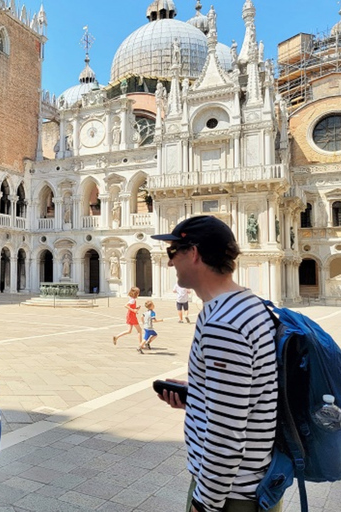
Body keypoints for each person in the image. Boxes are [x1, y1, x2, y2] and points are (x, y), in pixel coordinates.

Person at [152, 216, 280, 512]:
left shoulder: (224, 325)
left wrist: (204, 504)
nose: (170, 263)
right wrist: (199, 394)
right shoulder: (250, 305)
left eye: (173, 253)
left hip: (231, 497)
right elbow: (247, 397)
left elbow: (226, 435)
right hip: (246, 488)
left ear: (193, 253)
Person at [112, 287, 143, 352]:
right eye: (138, 293)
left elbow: (131, 307)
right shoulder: (133, 300)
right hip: (132, 316)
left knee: (129, 331)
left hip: (130, 315)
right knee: (139, 330)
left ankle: (116, 337)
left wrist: (136, 308)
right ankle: (141, 344)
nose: (138, 294)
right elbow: (126, 305)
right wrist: (134, 310)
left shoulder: (132, 299)